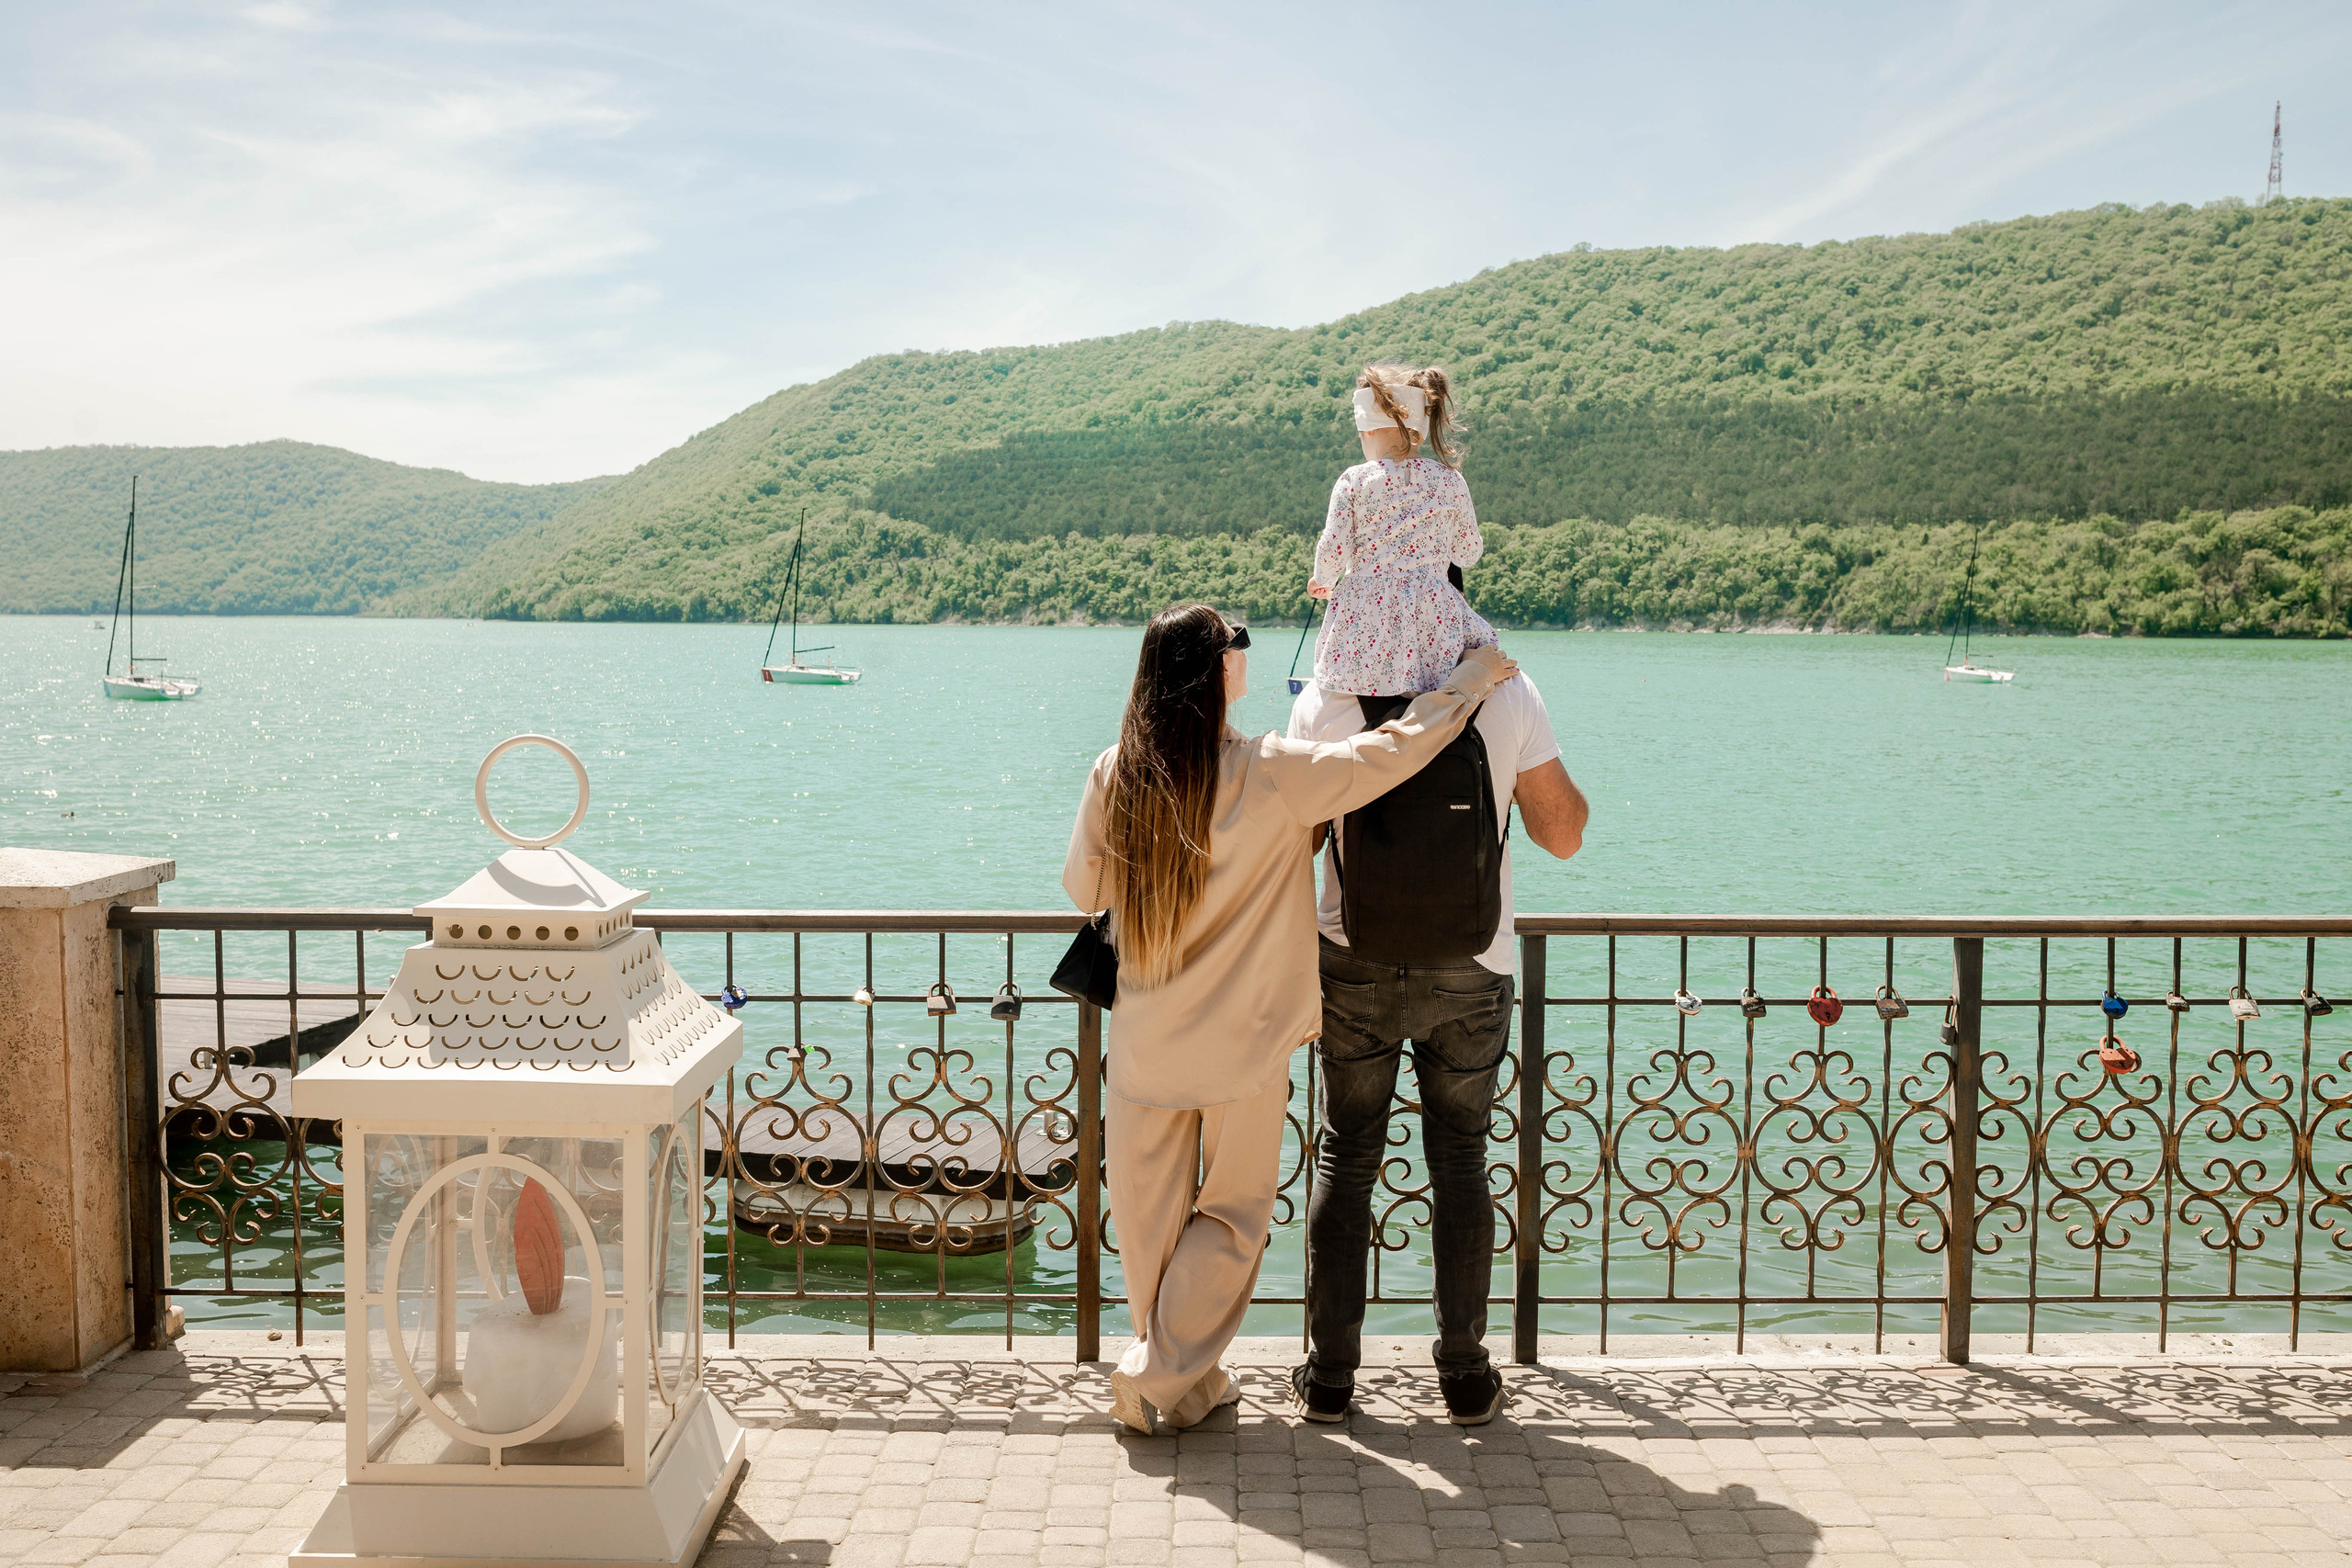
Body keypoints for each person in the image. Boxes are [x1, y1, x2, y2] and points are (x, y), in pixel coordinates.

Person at [1062, 604, 1518, 1434]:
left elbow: (1084, 889)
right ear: (1218, 671)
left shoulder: (1114, 772)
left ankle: (1184, 1384)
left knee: (1152, 1227)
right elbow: (1389, 753)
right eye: (1238, 642)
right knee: (1232, 1221)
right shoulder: (1267, 770)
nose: (1247, 652)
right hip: (1240, 1047)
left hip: (1144, 1043)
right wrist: (1465, 683)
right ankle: (1158, 1374)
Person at [1286, 628, 1588, 1427]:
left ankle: (1329, 1378)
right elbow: (1563, 835)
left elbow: (1299, 839)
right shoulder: (1506, 689)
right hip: (1473, 963)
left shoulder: (1328, 695)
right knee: (1461, 1158)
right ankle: (1464, 1375)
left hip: (1352, 957)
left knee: (1346, 1154)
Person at [1306, 363, 1498, 698]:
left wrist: (1322, 579)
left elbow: (1333, 548)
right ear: (1419, 431)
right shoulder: (1450, 480)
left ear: (1368, 431)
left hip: (1366, 618)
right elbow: (1468, 554)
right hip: (1434, 618)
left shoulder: (1354, 480)